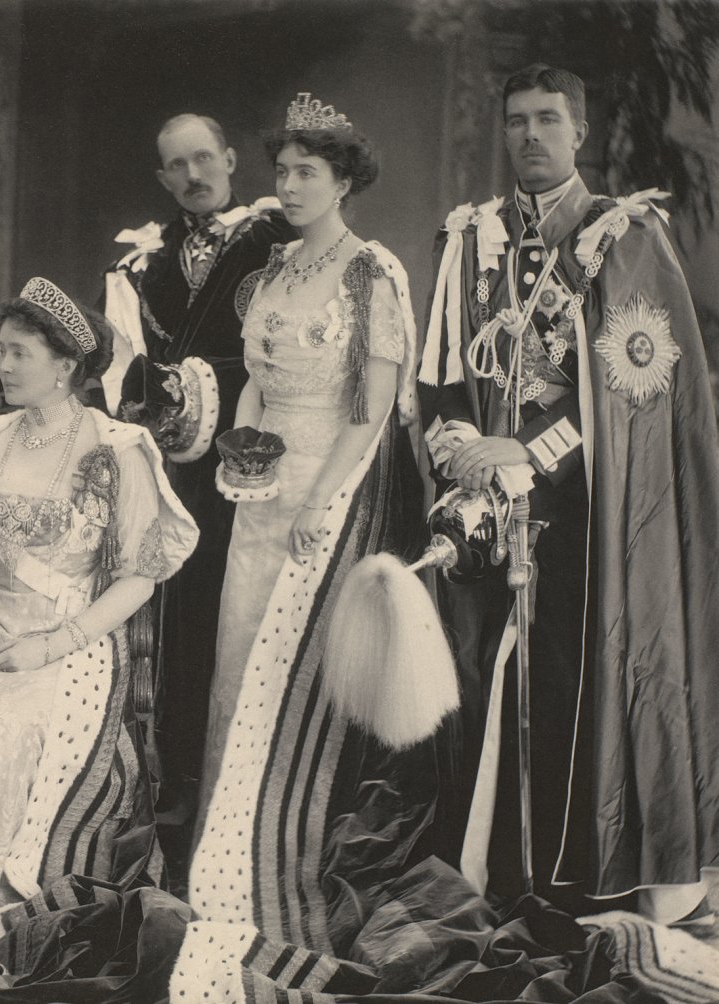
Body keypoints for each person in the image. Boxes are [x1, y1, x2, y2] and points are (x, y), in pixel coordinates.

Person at [418, 64, 719, 919]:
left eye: (549, 119)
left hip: (591, 517)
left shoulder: (624, 236)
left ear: (580, 132)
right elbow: (441, 379)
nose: (531, 137)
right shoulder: (472, 241)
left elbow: (636, 406)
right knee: (483, 690)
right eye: (516, 121)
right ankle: (496, 874)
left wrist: (526, 451)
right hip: (486, 514)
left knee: (569, 691)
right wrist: (462, 457)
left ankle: (576, 878)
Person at [0, 277, 198, 949]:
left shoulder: (118, 450)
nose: (1, 366)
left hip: (69, 642)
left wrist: (51, 645)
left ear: (66, 367)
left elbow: (138, 581)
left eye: (18, 353)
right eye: (2, 350)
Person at [196, 94, 424, 832]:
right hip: (259, 495)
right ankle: (225, 831)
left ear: (344, 182)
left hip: (331, 487)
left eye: (308, 172)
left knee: (295, 668)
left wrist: (320, 502)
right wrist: (242, 457)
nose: (290, 187)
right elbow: (255, 386)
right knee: (238, 658)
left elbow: (371, 411)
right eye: (285, 171)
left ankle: (288, 834)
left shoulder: (370, 276)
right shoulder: (272, 271)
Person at [101, 113, 294, 822]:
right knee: (179, 622)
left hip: (258, 460)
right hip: (174, 471)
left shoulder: (278, 241)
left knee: (243, 615)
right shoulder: (143, 264)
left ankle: (252, 790)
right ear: (162, 177)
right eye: (177, 166)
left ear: (232, 159)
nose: (194, 176)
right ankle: (179, 782)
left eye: (204, 158)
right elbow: (119, 368)